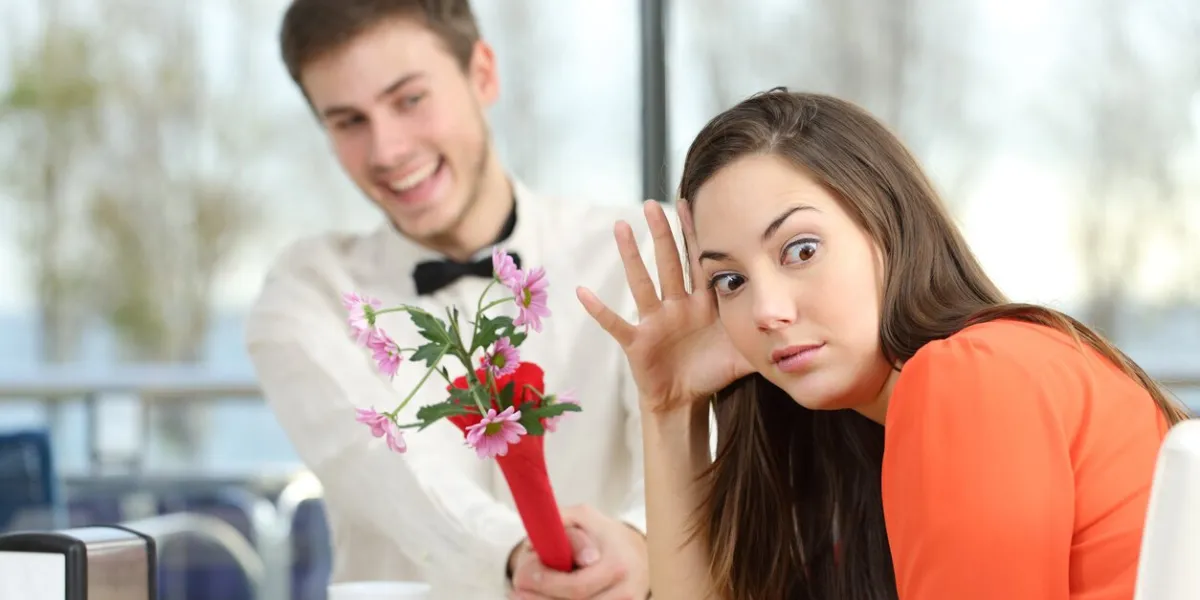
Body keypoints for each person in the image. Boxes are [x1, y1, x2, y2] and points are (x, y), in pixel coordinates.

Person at [576, 89, 1193, 600]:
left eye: (801, 250)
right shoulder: (877, 435)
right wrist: (669, 409)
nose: (767, 311)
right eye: (729, 281)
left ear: (888, 227)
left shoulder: (971, 376)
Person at [245, 1, 654, 598]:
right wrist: (519, 556)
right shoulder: (308, 292)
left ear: (482, 74)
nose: (386, 150)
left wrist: (641, 543)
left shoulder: (635, 250)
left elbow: (699, 451)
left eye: (410, 100)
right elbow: (382, 467)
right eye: (348, 121)